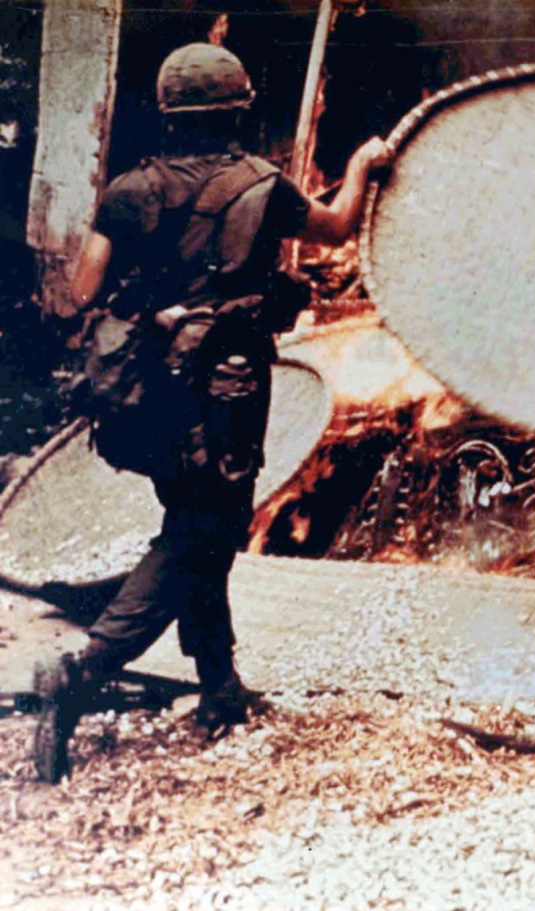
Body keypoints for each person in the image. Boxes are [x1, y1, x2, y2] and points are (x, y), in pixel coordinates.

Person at [32, 42, 392, 782]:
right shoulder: (267, 187)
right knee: (203, 530)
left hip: (152, 392)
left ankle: (220, 688)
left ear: (168, 115)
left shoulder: (128, 190)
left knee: (197, 520)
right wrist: (361, 167)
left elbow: (81, 290)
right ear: (237, 109)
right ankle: (81, 668)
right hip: (228, 389)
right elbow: (339, 226)